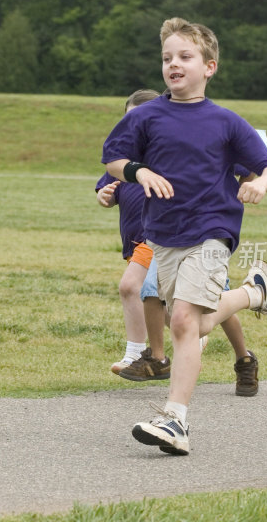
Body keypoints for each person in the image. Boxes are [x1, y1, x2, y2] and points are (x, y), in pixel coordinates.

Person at [102, 17, 267, 455]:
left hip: (213, 230)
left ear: (210, 66)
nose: (174, 64)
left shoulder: (226, 122)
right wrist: (139, 171)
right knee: (189, 321)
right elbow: (112, 159)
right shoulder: (147, 116)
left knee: (185, 321)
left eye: (185, 57)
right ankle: (253, 293)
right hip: (165, 235)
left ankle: (175, 421)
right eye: (167, 57)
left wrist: (261, 184)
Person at [98, 92, 261, 397]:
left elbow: (253, 164)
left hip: (203, 237)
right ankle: (159, 361)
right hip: (157, 238)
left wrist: (251, 184)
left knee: (202, 309)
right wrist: (106, 194)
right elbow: (110, 176)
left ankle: (243, 355)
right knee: (170, 307)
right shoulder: (129, 161)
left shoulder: (196, 140)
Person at [96, 89, 170, 381]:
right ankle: (197, 328)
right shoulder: (121, 160)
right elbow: (107, 192)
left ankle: (137, 353)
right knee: (158, 304)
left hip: (156, 238)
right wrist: (105, 196)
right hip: (132, 243)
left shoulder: (166, 156)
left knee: (131, 288)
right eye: (129, 120)